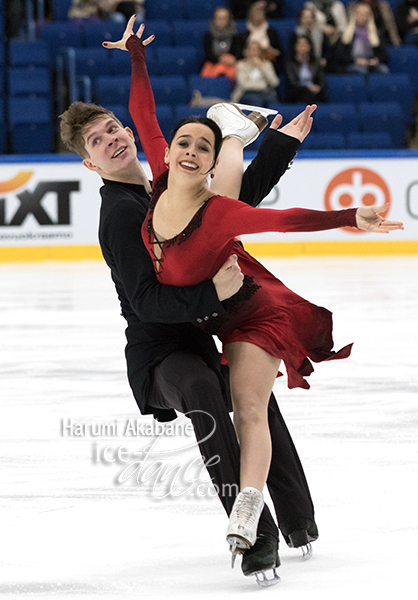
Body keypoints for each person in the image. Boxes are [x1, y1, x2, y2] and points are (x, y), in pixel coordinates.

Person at [107, 21, 403, 564]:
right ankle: (237, 129)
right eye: (185, 144)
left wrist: (348, 215)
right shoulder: (159, 174)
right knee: (241, 407)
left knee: (248, 408)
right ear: (170, 154)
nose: (190, 151)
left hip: (253, 310)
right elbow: (143, 114)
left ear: (211, 158)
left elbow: (286, 219)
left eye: (205, 146)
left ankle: (248, 507)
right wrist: (136, 58)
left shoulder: (223, 213)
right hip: (211, 315)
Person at [60, 23, 325, 586]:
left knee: (251, 394)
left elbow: (235, 206)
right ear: (89, 164)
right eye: (96, 143)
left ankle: (300, 521)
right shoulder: (120, 214)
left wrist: (281, 146)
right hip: (160, 353)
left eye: (112, 129)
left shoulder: (163, 183)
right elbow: (148, 302)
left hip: (198, 332)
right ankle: (256, 540)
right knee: (208, 391)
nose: (111, 139)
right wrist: (216, 294)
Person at [231, 1, 284, 75]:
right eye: (256, 11)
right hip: (248, 66)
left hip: (267, 64)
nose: (258, 14)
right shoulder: (244, 34)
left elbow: (279, 52)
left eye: (260, 11)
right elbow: (239, 54)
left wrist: (271, 52)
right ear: (250, 14)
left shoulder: (272, 33)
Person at [336, 1, 389, 74]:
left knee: (383, 70)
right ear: (354, 15)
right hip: (353, 63)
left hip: (371, 63)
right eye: (360, 14)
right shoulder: (347, 34)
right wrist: (356, 60)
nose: (362, 17)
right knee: (362, 70)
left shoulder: (376, 34)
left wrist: (375, 60)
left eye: (366, 14)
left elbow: (384, 55)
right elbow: (340, 55)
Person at [231, 40, 280, 106]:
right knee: (256, 100)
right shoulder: (241, 65)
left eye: (256, 49)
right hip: (247, 93)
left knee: (272, 99)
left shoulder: (266, 64)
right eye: (251, 49)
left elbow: (275, 82)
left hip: (265, 93)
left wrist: (262, 67)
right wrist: (263, 85)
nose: (254, 52)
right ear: (247, 51)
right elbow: (244, 85)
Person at [286, 34, 328, 104]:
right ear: (295, 46)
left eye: (305, 44)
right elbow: (293, 82)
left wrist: (318, 87)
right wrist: (308, 87)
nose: (303, 46)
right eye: (300, 44)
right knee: (305, 92)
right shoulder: (291, 64)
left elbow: (322, 79)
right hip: (297, 93)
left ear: (310, 46)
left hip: (314, 93)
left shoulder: (316, 62)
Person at [201, 6, 237, 81]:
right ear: (214, 20)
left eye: (224, 18)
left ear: (229, 20)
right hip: (213, 65)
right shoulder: (208, 36)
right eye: (219, 18)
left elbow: (238, 54)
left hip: (231, 66)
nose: (221, 21)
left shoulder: (236, 36)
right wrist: (219, 59)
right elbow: (207, 55)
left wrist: (233, 59)